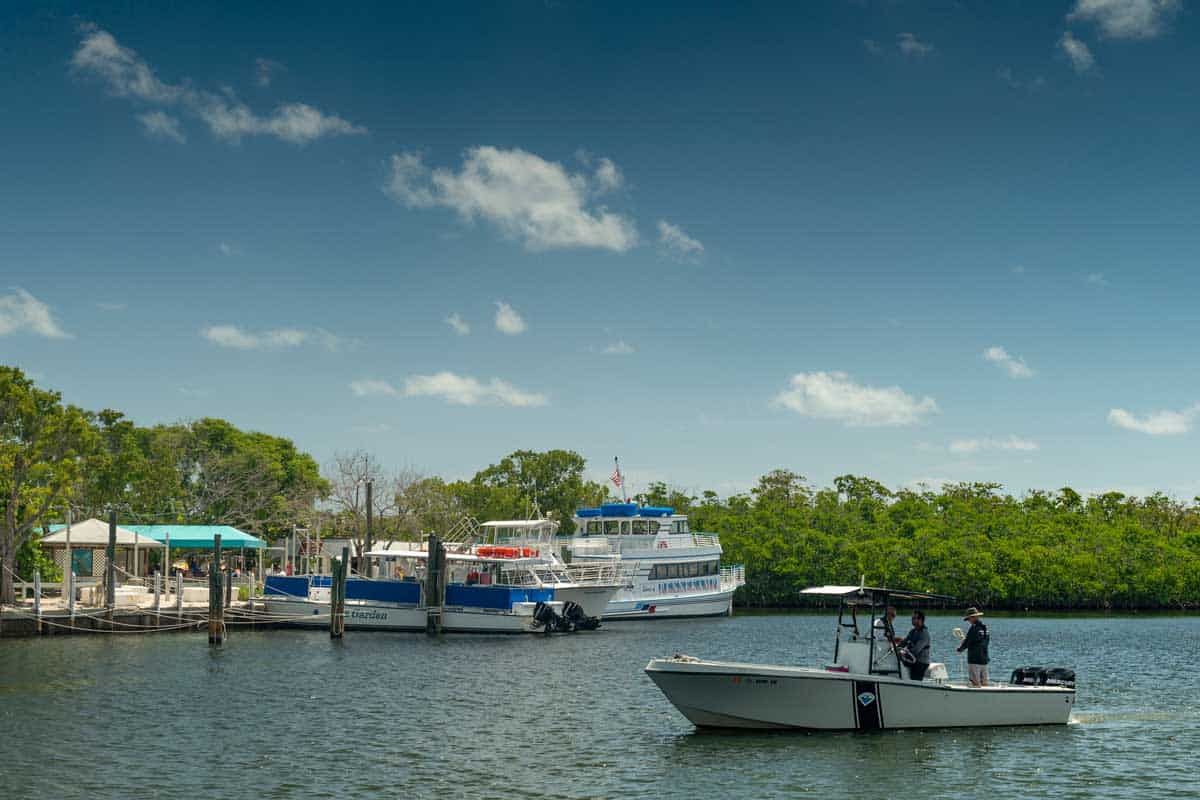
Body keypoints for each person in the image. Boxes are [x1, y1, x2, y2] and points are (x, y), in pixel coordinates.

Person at [957, 607, 990, 686]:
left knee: (975, 683)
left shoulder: (974, 628)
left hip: (974, 660)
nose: (968, 621)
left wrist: (960, 649)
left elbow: (968, 641)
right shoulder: (986, 628)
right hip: (984, 659)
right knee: (984, 683)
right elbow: (982, 642)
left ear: (973, 617)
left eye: (969, 619)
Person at [898, 610, 931, 680]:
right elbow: (904, 642)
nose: (912, 620)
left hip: (921, 662)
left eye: (914, 618)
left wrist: (904, 654)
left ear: (920, 620)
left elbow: (916, 650)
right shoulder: (913, 631)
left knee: (915, 679)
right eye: (912, 618)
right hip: (913, 660)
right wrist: (896, 648)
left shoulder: (924, 634)